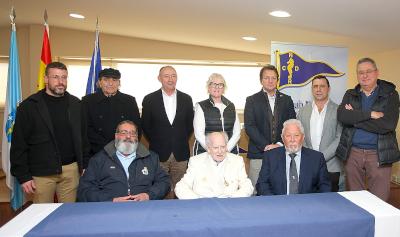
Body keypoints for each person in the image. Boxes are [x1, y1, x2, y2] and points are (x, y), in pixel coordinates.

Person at [10, 62, 89, 203]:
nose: (60, 82)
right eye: (55, 77)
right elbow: (19, 144)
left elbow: (83, 138)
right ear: (46, 79)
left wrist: (85, 165)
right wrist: (23, 176)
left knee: (68, 214)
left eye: (64, 77)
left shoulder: (76, 104)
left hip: (71, 171)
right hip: (42, 173)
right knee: (42, 216)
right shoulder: (29, 106)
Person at [336, 57, 400, 201]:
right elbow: (342, 116)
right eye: (360, 72)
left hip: (379, 154)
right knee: (354, 200)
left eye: (368, 71)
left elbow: (387, 125)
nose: (364, 76)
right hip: (352, 153)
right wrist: (370, 114)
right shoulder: (350, 94)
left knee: (379, 201)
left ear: (377, 73)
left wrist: (355, 119)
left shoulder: (391, 94)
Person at [77, 120, 170, 202]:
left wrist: (148, 195)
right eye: (124, 132)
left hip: (143, 207)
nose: (128, 136)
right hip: (109, 209)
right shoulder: (99, 159)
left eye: (132, 133)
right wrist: (111, 200)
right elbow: (84, 190)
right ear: (116, 136)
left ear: (137, 137)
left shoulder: (151, 158)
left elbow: (164, 182)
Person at [142, 66, 194, 198]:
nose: (170, 79)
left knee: (181, 189)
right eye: (166, 76)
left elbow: (189, 125)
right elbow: (146, 126)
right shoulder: (149, 99)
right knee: (159, 189)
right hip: (158, 153)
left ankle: (180, 215)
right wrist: (159, 140)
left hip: (181, 152)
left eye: (173, 75)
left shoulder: (186, 99)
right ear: (159, 78)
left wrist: (178, 138)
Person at [244, 65, 296, 187]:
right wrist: (266, 146)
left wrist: (278, 144)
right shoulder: (251, 100)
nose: (270, 81)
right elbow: (250, 126)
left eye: (273, 78)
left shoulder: (287, 100)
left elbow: (292, 124)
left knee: (279, 189)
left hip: (281, 152)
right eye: (266, 78)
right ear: (261, 80)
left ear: (277, 80)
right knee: (256, 189)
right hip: (258, 153)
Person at [256, 119, 331, 195]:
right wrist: (274, 201)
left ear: (303, 137)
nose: (292, 140)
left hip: (308, 204)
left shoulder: (317, 158)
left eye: (296, 135)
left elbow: (325, 187)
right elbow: (262, 184)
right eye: (288, 136)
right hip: (278, 204)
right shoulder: (270, 157)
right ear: (282, 138)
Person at [81, 68, 141, 163]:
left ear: (119, 83)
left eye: (114, 80)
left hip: (124, 152)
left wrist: (122, 147)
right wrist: (107, 147)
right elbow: (85, 129)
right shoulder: (87, 101)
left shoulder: (129, 101)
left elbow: (136, 128)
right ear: (99, 83)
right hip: (96, 152)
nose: (110, 83)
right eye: (106, 80)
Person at [297, 75, 343, 192]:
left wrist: (320, 157)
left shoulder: (339, 110)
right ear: (312, 89)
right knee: (309, 203)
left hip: (331, 167)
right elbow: (299, 136)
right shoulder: (302, 111)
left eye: (322, 86)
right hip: (308, 166)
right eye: (315, 86)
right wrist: (311, 157)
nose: (318, 89)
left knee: (331, 204)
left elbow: (340, 137)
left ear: (328, 88)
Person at [175, 132, 253, 199]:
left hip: (229, 205)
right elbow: (181, 186)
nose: (220, 151)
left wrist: (233, 199)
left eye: (223, 147)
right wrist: (197, 200)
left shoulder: (237, 161)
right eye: (216, 148)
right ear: (208, 149)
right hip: (202, 206)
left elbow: (247, 185)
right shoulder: (196, 161)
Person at [193, 73, 240, 155]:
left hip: (229, 152)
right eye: (214, 84)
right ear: (208, 87)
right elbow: (199, 134)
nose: (217, 87)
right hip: (206, 152)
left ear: (224, 88)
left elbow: (237, 132)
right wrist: (212, 150)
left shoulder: (231, 106)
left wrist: (225, 150)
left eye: (220, 85)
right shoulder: (200, 106)